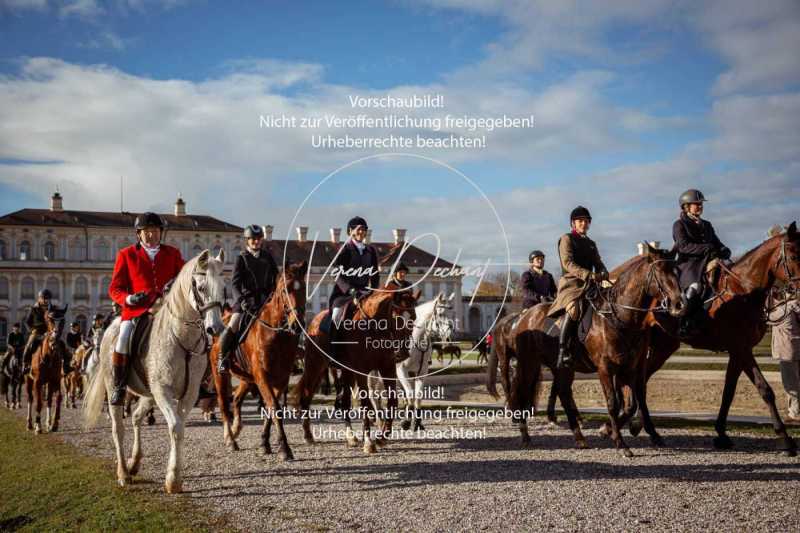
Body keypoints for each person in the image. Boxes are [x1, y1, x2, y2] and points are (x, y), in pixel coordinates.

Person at [108, 212, 184, 405]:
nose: (152, 235)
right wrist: (129, 298)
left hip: (167, 310)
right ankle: (119, 385)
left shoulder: (173, 253)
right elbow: (114, 289)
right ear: (139, 234)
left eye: (156, 231)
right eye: (147, 231)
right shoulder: (126, 255)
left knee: (194, 333)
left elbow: (184, 279)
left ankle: (199, 383)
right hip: (137, 311)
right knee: (123, 339)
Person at [547, 206, 608, 369]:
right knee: (573, 309)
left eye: (586, 221)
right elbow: (568, 263)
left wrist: (603, 270)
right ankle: (563, 351)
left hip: (590, 285)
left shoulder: (591, 244)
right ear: (573, 223)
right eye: (580, 221)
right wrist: (588, 274)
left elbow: (598, 262)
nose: (584, 224)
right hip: (571, 283)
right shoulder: (566, 239)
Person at [217, 224, 278, 373]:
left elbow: (276, 277)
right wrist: (241, 300)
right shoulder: (241, 258)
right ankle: (222, 358)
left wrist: (275, 294)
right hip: (246, 301)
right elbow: (235, 284)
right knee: (233, 323)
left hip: (266, 300)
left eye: (258, 239)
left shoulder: (267, 256)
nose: (256, 242)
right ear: (247, 241)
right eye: (253, 239)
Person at [672, 189, 731, 338]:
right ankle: (684, 323)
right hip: (689, 264)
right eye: (696, 204)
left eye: (701, 204)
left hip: (710, 262)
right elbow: (683, 246)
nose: (700, 206)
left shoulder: (707, 224)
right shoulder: (679, 224)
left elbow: (716, 243)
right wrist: (707, 248)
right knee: (695, 287)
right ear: (686, 206)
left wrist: (724, 250)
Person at [326, 216, 380, 353]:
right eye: (359, 229)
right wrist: (351, 291)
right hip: (344, 294)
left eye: (364, 229)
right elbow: (337, 275)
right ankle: (333, 350)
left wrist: (374, 291)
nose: (362, 232)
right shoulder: (344, 249)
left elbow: (374, 274)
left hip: (365, 293)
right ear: (351, 231)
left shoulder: (371, 251)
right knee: (336, 315)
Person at [768, 288, 800, 422]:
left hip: (787, 353)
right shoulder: (795, 307)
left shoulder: (783, 311)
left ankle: (795, 413)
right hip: (796, 349)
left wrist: (769, 296)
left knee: (790, 384)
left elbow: (768, 317)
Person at [21, 289, 52, 373]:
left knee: (59, 345)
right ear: (39, 299)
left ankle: (66, 364)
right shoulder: (33, 309)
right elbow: (27, 322)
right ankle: (25, 364)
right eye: (45, 298)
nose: (46, 301)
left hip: (48, 333)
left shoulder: (50, 310)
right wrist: (32, 331)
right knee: (29, 346)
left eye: (48, 299)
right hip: (36, 332)